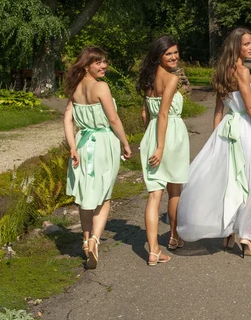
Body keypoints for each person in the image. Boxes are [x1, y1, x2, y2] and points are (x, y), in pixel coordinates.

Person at [177, 27, 251, 257]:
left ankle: (229, 230)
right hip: (247, 131)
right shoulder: (242, 72)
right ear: (236, 47)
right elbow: (250, 107)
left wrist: (216, 139)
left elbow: (219, 111)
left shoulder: (223, 71)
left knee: (232, 182)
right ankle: (245, 235)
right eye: (247, 44)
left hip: (228, 131)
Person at [64, 46, 132, 270]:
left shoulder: (75, 88)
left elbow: (67, 119)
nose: (104, 66)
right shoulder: (101, 87)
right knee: (103, 196)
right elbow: (113, 119)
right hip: (103, 143)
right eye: (98, 62)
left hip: (83, 143)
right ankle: (94, 240)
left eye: (104, 61)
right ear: (86, 66)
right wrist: (125, 142)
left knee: (85, 195)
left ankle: (85, 240)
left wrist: (72, 147)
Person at [137, 36, 190, 266]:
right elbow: (165, 113)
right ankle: (174, 236)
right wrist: (161, 146)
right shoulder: (171, 78)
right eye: (168, 53)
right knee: (174, 190)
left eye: (175, 53)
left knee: (154, 195)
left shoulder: (149, 80)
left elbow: (144, 115)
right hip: (170, 138)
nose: (174, 57)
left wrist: (151, 140)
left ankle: (153, 250)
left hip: (151, 134)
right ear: (159, 55)